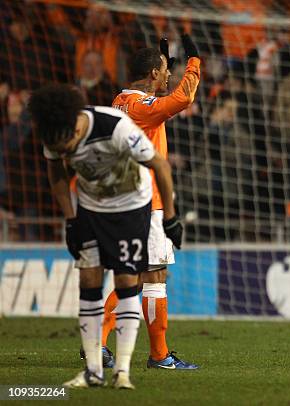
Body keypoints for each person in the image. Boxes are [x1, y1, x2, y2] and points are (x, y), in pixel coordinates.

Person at [30, 83, 182, 388]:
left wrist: (170, 218)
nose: (65, 151)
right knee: (88, 280)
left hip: (131, 206)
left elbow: (160, 166)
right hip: (90, 206)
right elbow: (56, 174)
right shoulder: (53, 133)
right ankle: (93, 370)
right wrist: (71, 220)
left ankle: (122, 372)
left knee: (129, 281)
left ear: (76, 123)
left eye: (67, 143)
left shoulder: (114, 127)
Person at [102, 34, 201, 369]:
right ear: (151, 75)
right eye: (162, 71)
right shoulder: (140, 107)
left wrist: (164, 62)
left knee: (134, 276)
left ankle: (99, 343)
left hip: (126, 199)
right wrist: (194, 62)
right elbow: (183, 98)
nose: (167, 75)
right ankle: (159, 355)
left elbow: (154, 100)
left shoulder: (121, 100)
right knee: (154, 276)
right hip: (147, 203)